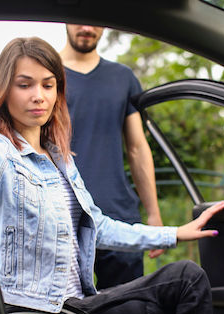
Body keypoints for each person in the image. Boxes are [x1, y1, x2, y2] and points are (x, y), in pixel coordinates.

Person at [0, 22, 224, 314]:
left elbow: (99, 227)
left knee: (181, 294)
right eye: (25, 85)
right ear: (5, 91)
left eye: (48, 85)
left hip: (77, 308)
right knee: (186, 280)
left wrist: (173, 233)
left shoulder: (60, 160)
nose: (39, 96)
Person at [60, 24, 164, 289]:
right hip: (63, 216)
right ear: (65, 20)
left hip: (119, 214)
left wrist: (153, 214)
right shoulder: (46, 77)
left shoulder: (123, 77)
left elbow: (137, 148)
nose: (86, 28)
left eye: (94, 20)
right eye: (78, 19)